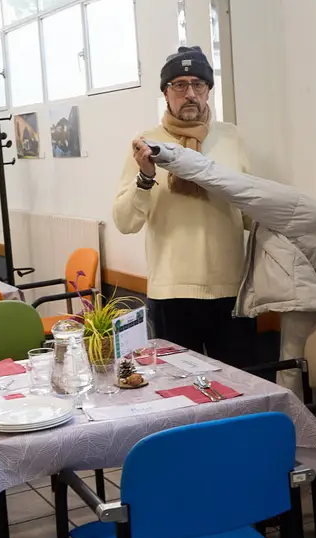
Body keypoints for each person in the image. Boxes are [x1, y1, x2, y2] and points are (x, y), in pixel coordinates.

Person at [145, 140, 316, 384]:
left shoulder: (293, 210)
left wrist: (164, 154)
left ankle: (294, 422)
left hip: (309, 305)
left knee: (295, 376)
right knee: (313, 382)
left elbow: (218, 177)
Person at [113, 46, 256, 367]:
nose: (189, 93)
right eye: (179, 85)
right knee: (177, 393)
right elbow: (125, 222)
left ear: (208, 91)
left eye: (198, 85)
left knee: (243, 388)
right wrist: (146, 178)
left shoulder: (232, 139)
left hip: (232, 291)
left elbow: (251, 212)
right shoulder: (145, 143)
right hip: (171, 293)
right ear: (165, 93)